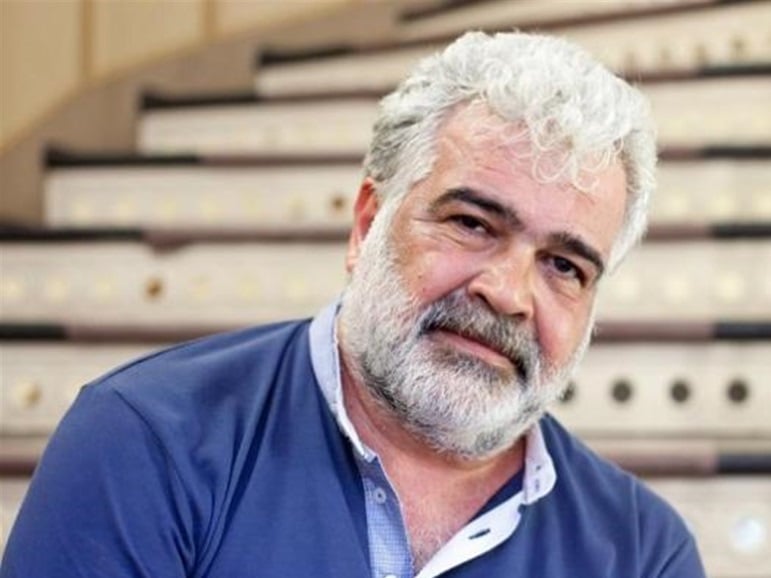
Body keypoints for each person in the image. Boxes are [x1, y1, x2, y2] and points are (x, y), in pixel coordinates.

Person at [1, 32, 706, 578]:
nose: (508, 293)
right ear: (367, 224)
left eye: (564, 266)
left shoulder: (642, 553)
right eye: (471, 223)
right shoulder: (146, 443)